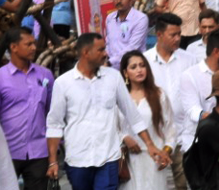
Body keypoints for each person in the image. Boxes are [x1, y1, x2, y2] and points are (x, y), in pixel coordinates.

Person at [46, 33, 170, 189]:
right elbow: (54, 125)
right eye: (101, 50)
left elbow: (132, 115)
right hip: (77, 160)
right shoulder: (63, 83)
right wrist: (53, 162)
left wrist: (150, 145)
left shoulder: (113, 77)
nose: (106, 53)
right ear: (86, 53)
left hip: (109, 158)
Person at [0, 27, 53, 189]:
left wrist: (53, 150)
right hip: (6, 152)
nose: (34, 48)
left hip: (39, 152)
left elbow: (52, 112)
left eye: (34, 43)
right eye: (28, 44)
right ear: (13, 47)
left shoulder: (45, 75)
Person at [142, 13, 198, 188]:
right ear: (159, 35)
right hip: (154, 137)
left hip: (183, 134)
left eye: (179, 34)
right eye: (173, 35)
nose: (178, 38)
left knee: (183, 183)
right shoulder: (144, 61)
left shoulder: (189, 60)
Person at [119, 51, 178, 190]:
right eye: (133, 67)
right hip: (127, 160)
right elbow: (112, 128)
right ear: (125, 73)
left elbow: (171, 128)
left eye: (142, 65)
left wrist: (166, 152)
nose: (139, 70)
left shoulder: (159, 95)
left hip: (153, 159)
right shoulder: (120, 98)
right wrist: (124, 138)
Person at [176, 27, 219, 149]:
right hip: (198, 145)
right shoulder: (190, 76)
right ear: (216, 52)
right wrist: (218, 120)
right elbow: (193, 110)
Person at [104, 0, 148, 69]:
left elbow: (132, 47)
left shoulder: (140, 19)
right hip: (112, 68)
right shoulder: (110, 18)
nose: (118, 1)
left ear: (131, 0)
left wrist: (110, 62)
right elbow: (108, 42)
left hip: (133, 67)